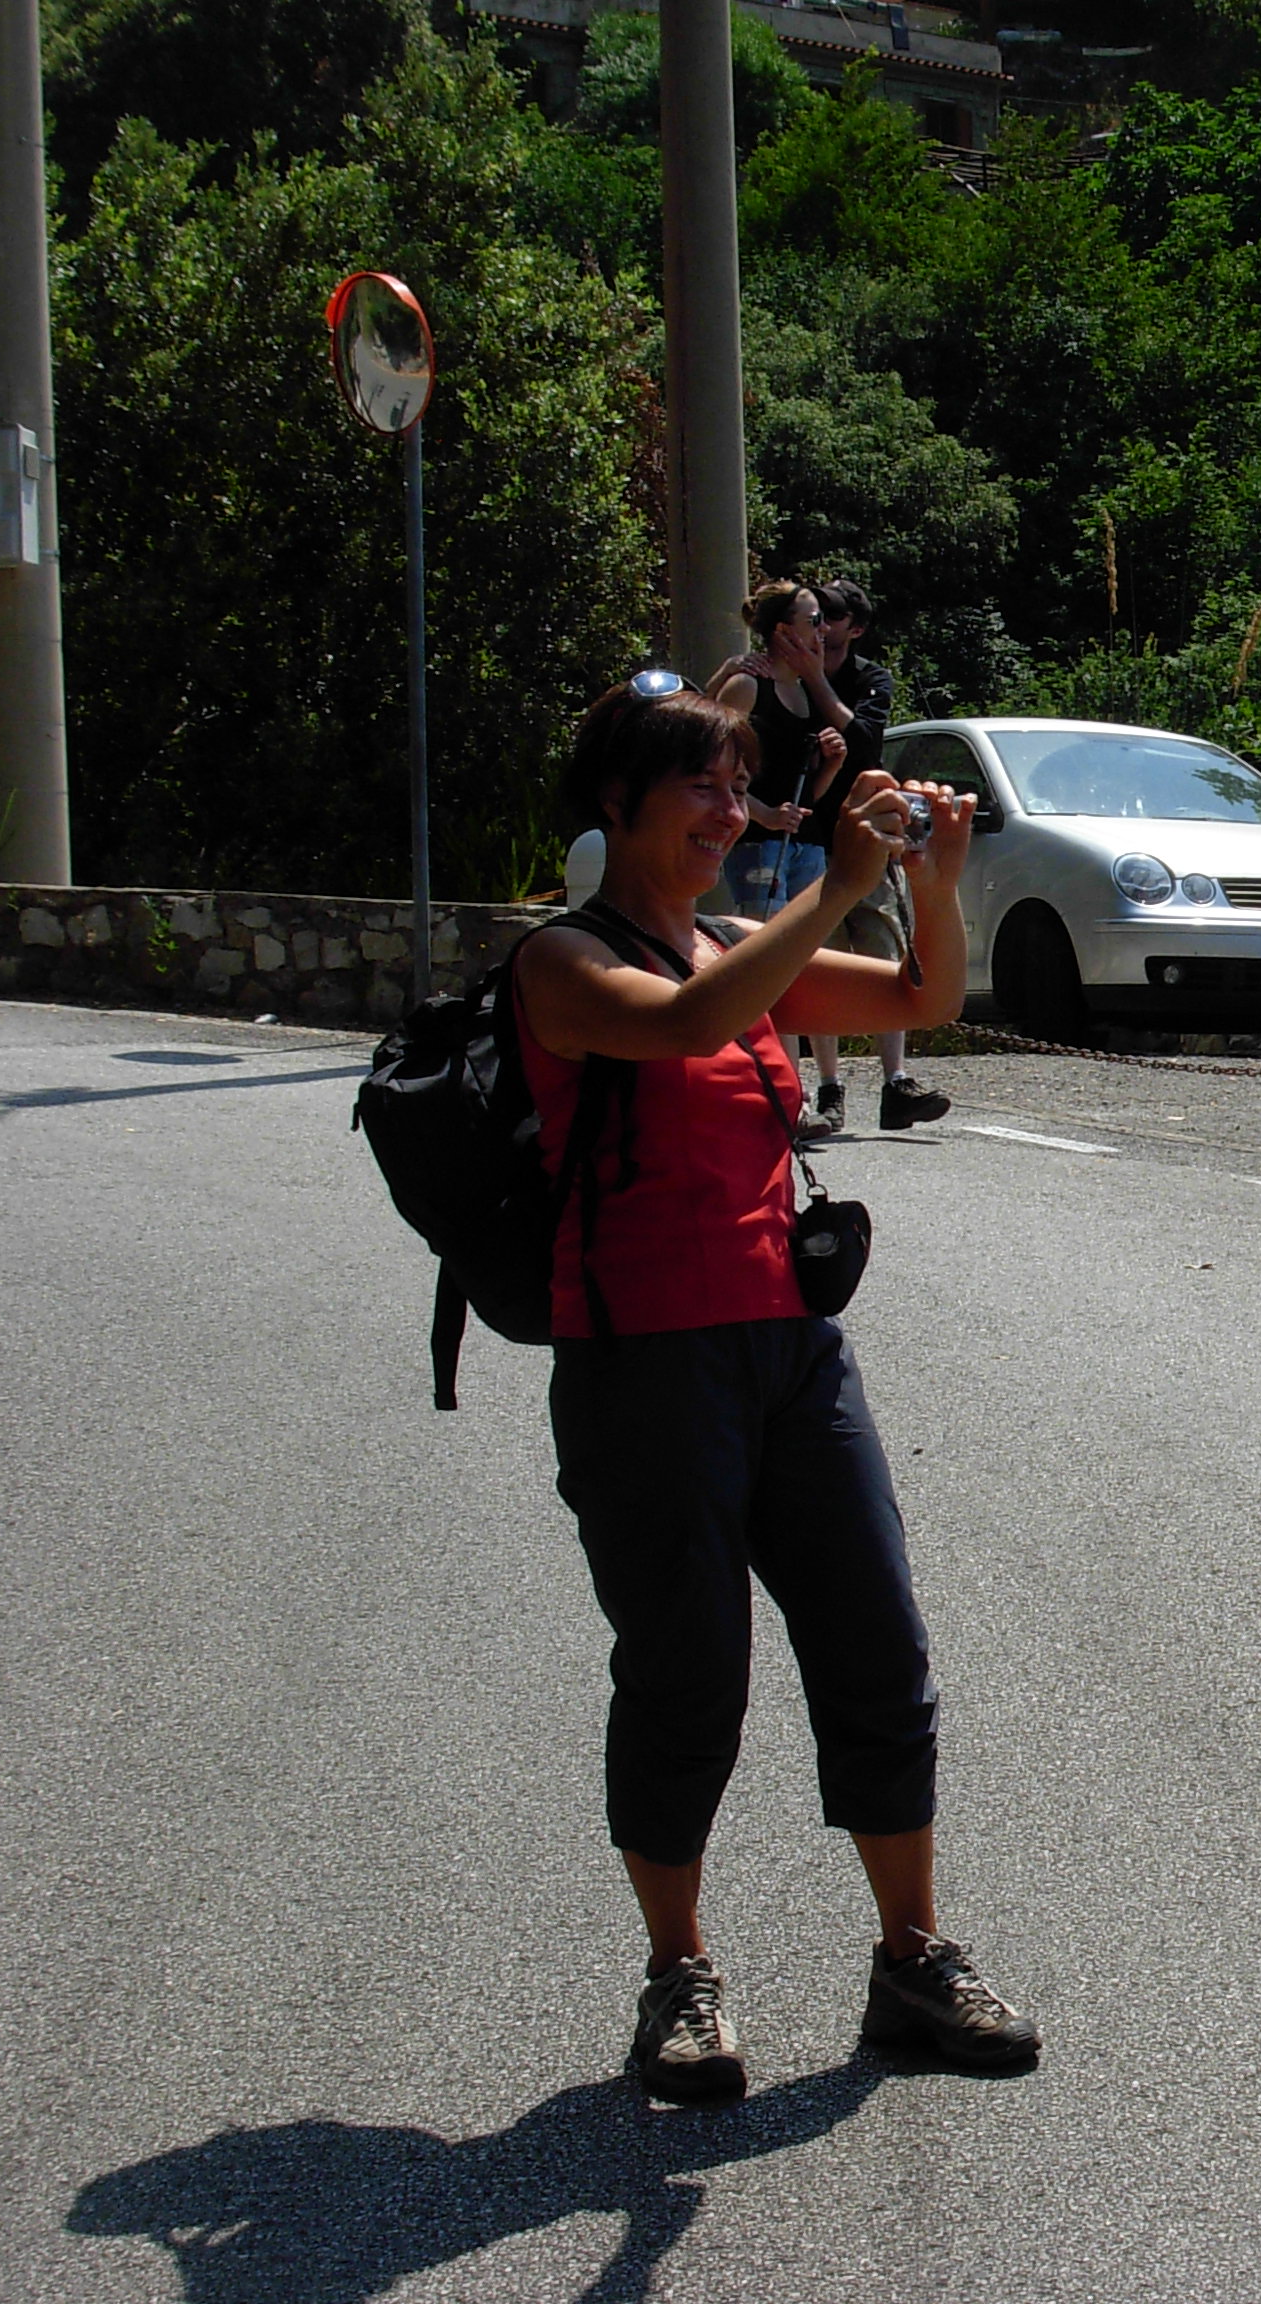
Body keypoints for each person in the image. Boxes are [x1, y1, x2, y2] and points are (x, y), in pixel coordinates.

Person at [509, 670, 1037, 2096]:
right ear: (616, 800)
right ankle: (677, 1977)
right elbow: (687, 1025)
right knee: (687, 1677)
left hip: (792, 1351)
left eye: (740, 788)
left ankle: (912, 1958)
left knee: (877, 1645)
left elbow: (927, 997)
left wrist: (934, 881)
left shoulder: (741, 941)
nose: (729, 811)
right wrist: (839, 885)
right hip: (640, 1362)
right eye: (702, 784)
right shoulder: (561, 963)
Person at [714, 582, 851, 1135]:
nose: (822, 631)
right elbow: (710, 771)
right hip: (758, 845)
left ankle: (823, 1089)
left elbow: (807, 794)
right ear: (781, 630)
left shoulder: (806, 693)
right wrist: (764, 814)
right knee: (770, 969)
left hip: (803, 844)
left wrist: (829, 767)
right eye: (812, 620)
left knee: (806, 964)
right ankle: (785, 1095)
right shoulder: (749, 686)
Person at [817, 578, 951, 1130]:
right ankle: (828, 1088)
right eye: (813, 614)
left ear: (855, 628)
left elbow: (865, 742)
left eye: (831, 616)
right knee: (819, 962)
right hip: (809, 842)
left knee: (883, 953)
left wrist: (813, 680)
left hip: (867, 837)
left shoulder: (869, 679)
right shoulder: (781, 681)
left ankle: (896, 1082)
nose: (820, 625)